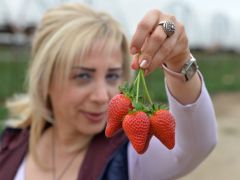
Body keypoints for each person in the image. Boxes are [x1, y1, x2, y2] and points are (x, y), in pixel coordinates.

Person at [0, 2, 217, 180]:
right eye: (83, 76)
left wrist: (180, 61)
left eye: (112, 75)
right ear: (45, 80)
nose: (102, 96)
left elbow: (196, 145)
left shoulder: (127, 157)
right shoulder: (11, 143)